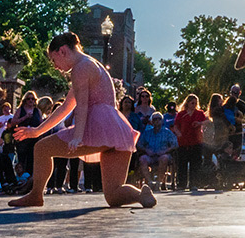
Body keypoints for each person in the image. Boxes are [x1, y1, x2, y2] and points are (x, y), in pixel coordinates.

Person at [8, 32, 155, 209]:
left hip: (99, 127)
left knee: (42, 149)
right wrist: (37, 131)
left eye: (54, 60)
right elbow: (66, 107)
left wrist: (78, 137)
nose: (55, 66)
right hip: (117, 131)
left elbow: (82, 105)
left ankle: (35, 196)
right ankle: (141, 195)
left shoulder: (80, 68)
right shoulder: (90, 64)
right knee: (113, 195)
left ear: (62, 51)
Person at [173, 93, 208, 192]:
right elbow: (175, 126)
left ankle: (194, 183)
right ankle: (181, 184)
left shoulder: (199, 113)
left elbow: (208, 121)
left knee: (195, 164)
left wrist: (200, 123)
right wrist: (179, 134)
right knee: (182, 164)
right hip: (184, 141)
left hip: (196, 141)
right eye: (192, 103)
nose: (194, 105)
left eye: (195, 103)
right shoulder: (181, 114)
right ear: (187, 103)